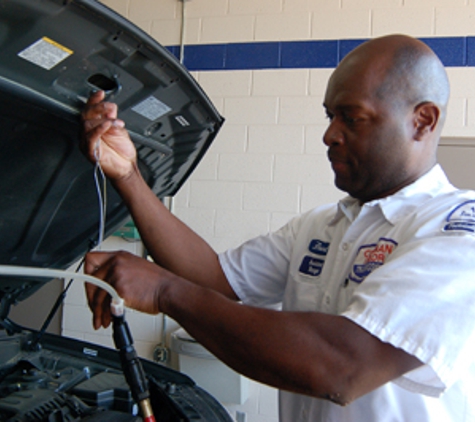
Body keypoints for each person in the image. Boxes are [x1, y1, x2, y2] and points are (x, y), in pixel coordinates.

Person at [81, 34, 475, 421]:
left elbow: (342, 366)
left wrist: (166, 290)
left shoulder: (455, 230)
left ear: (422, 121)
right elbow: (213, 276)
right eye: (330, 115)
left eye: (351, 118)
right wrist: (129, 175)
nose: (329, 134)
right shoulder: (323, 225)